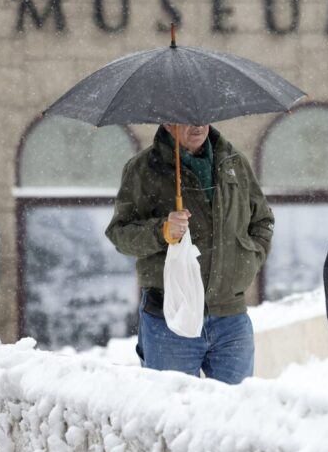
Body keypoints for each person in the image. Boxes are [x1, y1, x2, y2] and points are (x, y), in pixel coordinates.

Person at [106, 123, 274, 384]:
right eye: (187, 118)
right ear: (166, 122)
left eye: (203, 117)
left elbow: (262, 220)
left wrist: (248, 259)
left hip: (230, 317)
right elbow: (119, 233)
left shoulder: (234, 163)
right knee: (171, 414)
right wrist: (162, 231)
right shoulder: (143, 168)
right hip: (170, 319)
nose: (198, 125)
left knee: (235, 415)